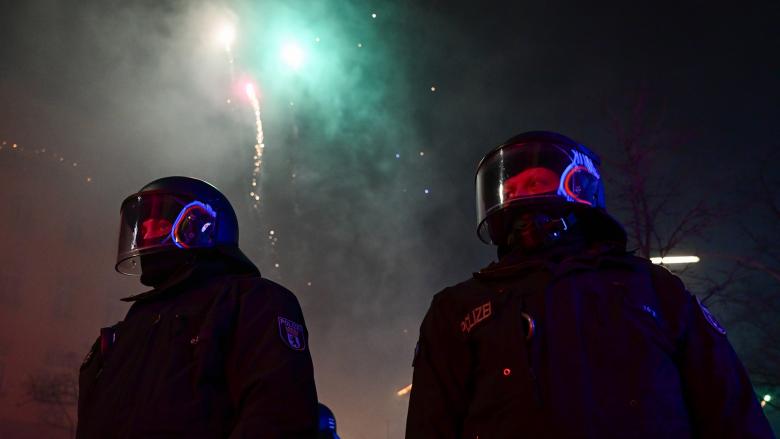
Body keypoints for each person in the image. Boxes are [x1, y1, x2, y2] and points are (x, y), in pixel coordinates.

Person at [405, 131, 774, 438]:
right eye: (511, 189)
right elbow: (430, 425)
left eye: (535, 182)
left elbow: (729, 408)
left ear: (579, 187)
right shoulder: (459, 308)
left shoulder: (652, 288)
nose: (521, 197)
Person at [77, 176, 318, 438]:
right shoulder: (132, 324)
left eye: (156, 225)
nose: (144, 236)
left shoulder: (252, 300)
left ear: (198, 227)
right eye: (141, 229)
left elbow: (277, 413)